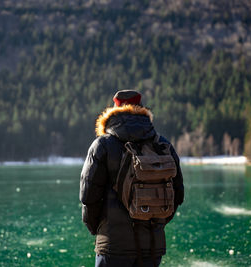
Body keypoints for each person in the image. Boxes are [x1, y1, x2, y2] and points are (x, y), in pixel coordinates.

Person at [79, 90, 184, 267]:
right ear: (141, 109)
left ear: (114, 110)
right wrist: (156, 222)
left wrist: (99, 230)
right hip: (152, 246)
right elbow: (177, 195)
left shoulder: (102, 145)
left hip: (113, 246)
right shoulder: (162, 144)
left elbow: (88, 197)